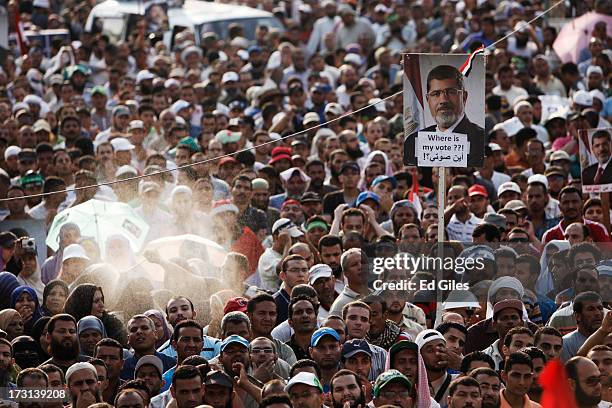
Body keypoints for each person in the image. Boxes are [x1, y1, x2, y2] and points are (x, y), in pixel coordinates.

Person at [404, 65, 485, 167]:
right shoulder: (414, 142)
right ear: (427, 99)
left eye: (451, 92)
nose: (443, 100)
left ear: (464, 97)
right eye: (436, 94)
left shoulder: (481, 139)